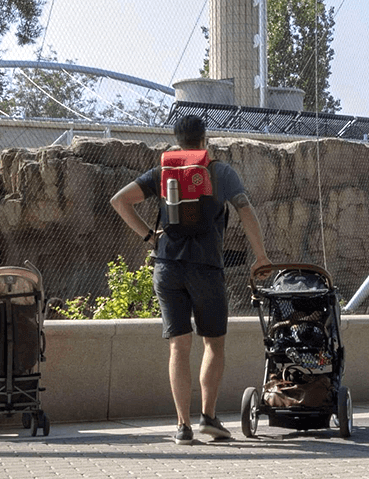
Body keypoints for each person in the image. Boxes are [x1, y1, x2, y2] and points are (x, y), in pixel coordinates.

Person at [110, 115, 270, 444]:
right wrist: (261, 256)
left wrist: (148, 237)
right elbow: (245, 210)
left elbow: (119, 200)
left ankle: (182, 426)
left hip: (167, 267)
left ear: (177, 140)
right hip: (206, 269)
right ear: (204, 139)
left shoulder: (162, 173)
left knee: (178, 348)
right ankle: (208, 419)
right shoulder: (220, 172)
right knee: (213, 343)